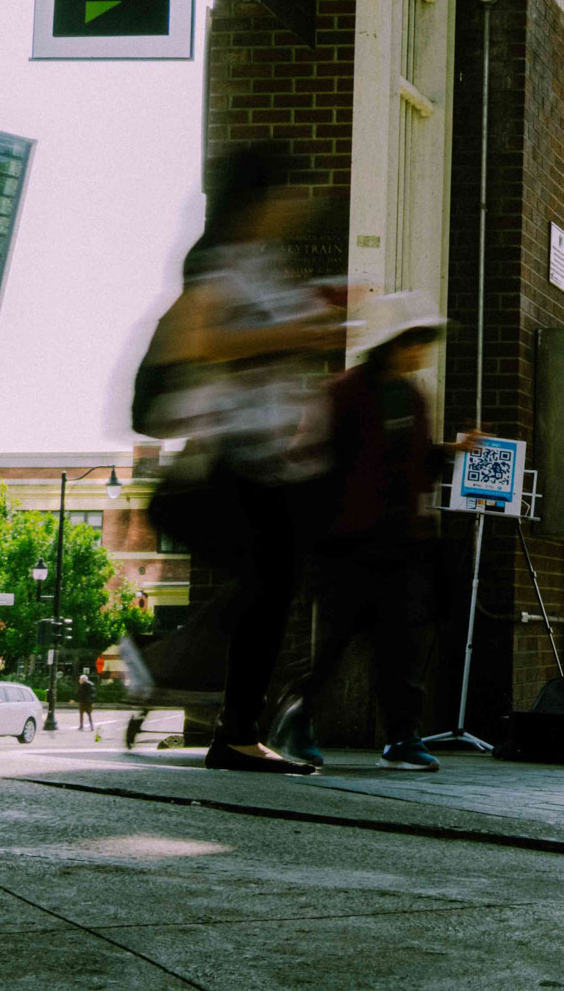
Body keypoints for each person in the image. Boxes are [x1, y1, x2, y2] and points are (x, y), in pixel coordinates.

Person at [129, 143, 344, 776]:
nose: (297, 206)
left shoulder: (265, 265)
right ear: (259, 199)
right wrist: (300, 333)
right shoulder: (220, 262)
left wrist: (325, 308)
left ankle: (228, 724)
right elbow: (200, 342)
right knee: (269, 582)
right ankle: (226, 724)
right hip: (226, 459)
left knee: (271, 584)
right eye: (287, 193)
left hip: (270, 459)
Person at [267, 291, 481, 773]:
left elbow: (416, 469)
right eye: (416, 340)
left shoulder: (412, 397)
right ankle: (297, 719)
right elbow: (315, 466)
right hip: (346, 545)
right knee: (335, 641)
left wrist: (451, 452)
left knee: (399, 643)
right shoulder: (343, 394)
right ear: (392, 343)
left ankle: (402, 738)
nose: (423, 349)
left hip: (401, 544)